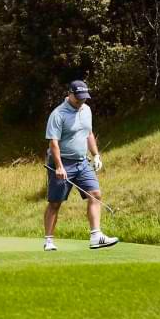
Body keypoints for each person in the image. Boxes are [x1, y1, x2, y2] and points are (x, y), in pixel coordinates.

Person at [43, 80, 118, 251]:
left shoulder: (87, 110)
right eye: (78, 99)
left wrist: (96, 155)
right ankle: (48, 240)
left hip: (82, 162)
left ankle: (96, 236)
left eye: (84, 99)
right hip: (62, 162)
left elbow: (89, 133)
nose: (81, 102)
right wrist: (59, 166)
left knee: (95, 194)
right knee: (55, 202)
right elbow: (53, 143)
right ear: (69, 94)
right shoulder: (58, 114)